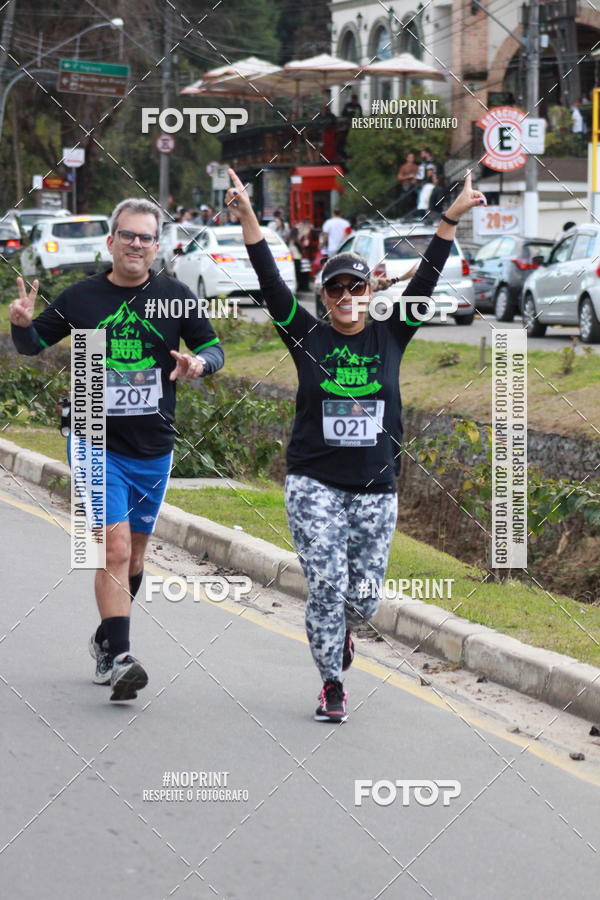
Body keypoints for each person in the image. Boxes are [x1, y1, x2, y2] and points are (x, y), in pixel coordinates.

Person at [225, 167, 486, 723]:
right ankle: (332, 684)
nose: (347, 297)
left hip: (375, 488)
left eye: (357, 287)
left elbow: (428, 280)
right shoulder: (306, 336)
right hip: (313, 482)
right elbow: (270, 281)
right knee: (325, 585)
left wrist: (450, 218)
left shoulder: (392, 332)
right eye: (337, 289)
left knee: (363, 600)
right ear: (325, 296)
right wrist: (248, 216)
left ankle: (343, 635)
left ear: (370, 294)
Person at [9, 198, 224, 702]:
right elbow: (32, 345)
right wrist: (21, 322)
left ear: (156, 246)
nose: (135, 244)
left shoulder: (175, 298)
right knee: (116, 545)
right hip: (90, 433)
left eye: (145, 237)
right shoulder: (83, 298)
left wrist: (199, 364)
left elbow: (213, 347)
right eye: (126, 235)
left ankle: (107, 642)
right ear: (111, 242)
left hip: (153, 444)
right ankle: (122, 659)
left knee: (135, 555)